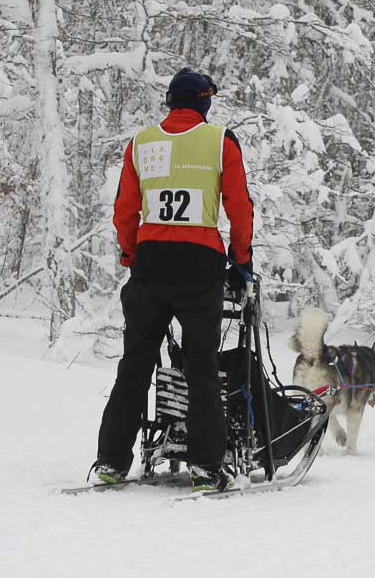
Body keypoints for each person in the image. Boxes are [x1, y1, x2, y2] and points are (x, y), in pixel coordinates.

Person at [90, 68, 254, 491]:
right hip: (200, 266)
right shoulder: (221, 142)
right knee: (202, 368)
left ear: (169, 102)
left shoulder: (142, 143)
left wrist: (131, 253)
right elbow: (239, 207)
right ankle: (205, 465)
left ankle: (110, 461)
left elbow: (125, 209)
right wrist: (241, 261)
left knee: (135, 365)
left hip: (150, 264)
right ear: (205, 102)